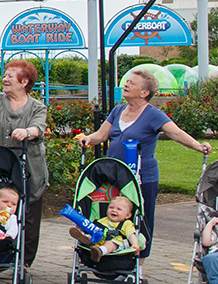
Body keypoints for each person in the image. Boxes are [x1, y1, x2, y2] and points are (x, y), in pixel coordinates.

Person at [76, 68, 210, 238]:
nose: (126, 84)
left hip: (142, 177)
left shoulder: (153, 115)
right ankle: (111, 255)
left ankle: (139, 259)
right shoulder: (118, 111)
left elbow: (176, 133)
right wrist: (88, 138)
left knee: (141, 221)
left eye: (132, 83)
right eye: (127, 81)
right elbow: (102, 135)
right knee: (112, 216)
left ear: (144, 93)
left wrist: (197, 145)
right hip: (114, 175)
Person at [0, 59, 49, 265]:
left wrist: (26, 132)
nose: (4, 79)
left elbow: (38, 129)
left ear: (24, 82)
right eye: (4, 75)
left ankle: (23, 261)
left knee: (28, 215)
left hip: (29, 166)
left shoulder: (37, 107)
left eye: (9, 76)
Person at [72, 195, 143, 261]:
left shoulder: (126, 224)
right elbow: (92, 228)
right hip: (99, 240)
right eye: (111, 207)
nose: (114, 210)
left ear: (127, 215)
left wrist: (135, 244)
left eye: (119, 209)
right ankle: (84, 238)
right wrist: (81, 227)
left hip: (116, 242)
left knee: (110, 244)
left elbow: (131, 235)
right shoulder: (103, 220)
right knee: (91, 236)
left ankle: (100, 251)